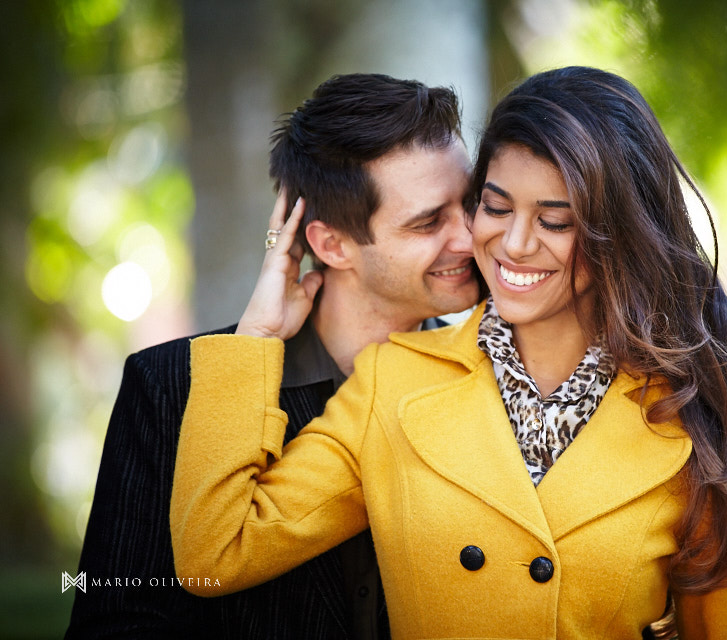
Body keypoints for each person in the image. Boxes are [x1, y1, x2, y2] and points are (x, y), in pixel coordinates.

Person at [171, 66, 727, 638]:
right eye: (495, 207)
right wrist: (255, 341)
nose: (513, 244)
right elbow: (214, 554)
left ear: (617, 233)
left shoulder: (681, 414)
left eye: (555, 220)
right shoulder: (393, 381)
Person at [66, 73, 479, 639]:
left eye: (472, 204)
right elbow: (114, 617)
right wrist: (255, 338)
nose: (472, 236)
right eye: (429, 222)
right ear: (331, 244)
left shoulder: (491, 378)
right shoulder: (167, 386)